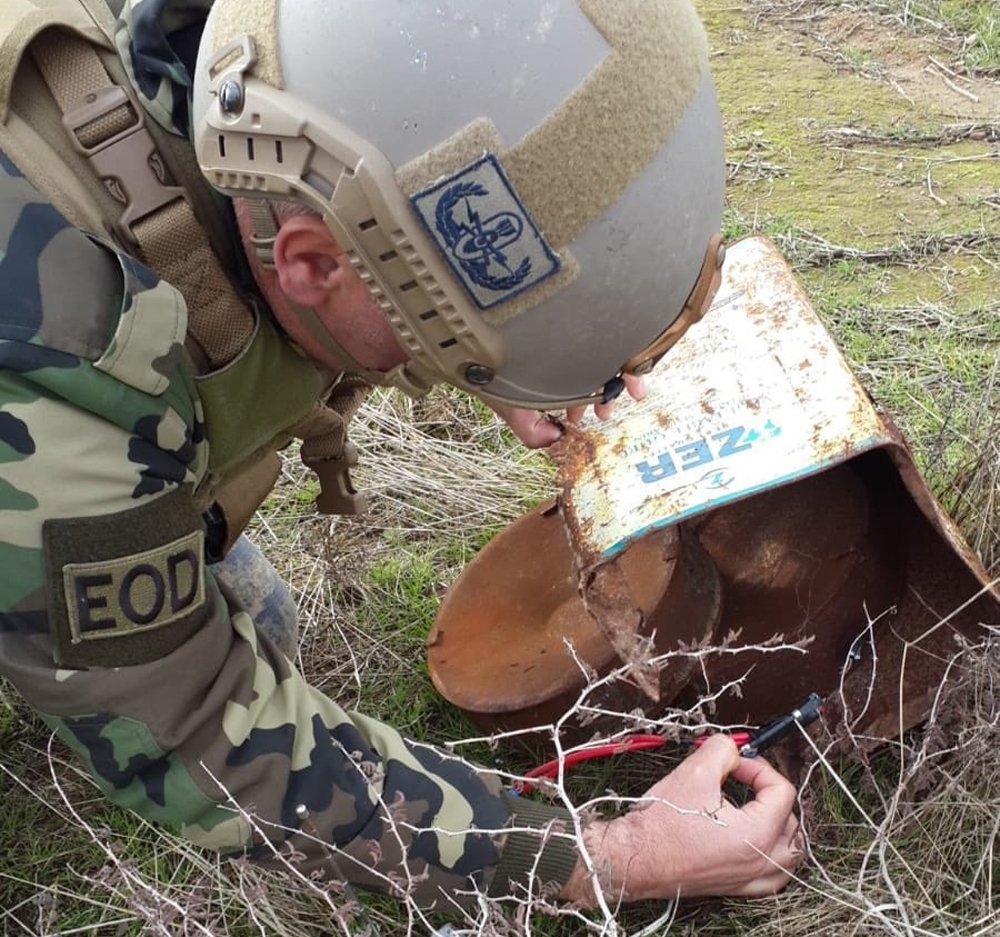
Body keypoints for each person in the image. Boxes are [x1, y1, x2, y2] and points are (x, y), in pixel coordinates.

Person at [0, 0, 802, 915]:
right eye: (431, 335)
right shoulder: (63, 366)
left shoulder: (262, 60)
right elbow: (194, 730)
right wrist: (615, 855)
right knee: (205, 643)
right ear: (311, 266)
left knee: (257, 614)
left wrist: (497, 338)